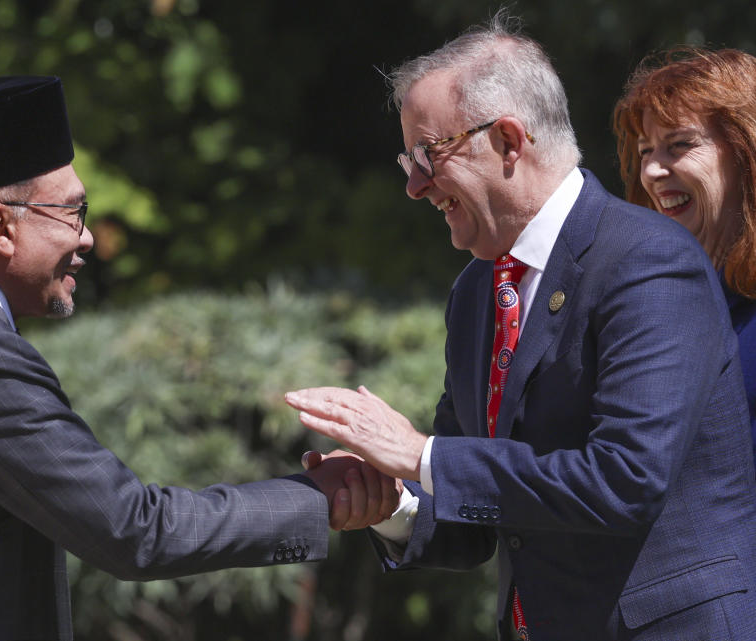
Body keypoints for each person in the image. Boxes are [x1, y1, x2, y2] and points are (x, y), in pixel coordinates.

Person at [0, 76, 399, 640]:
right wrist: (318, 497)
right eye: (72, 213)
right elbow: (135, 531)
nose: (86, 237)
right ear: (0, 226)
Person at [284, 15, 756, 641]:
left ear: (509, 140)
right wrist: (392, 500)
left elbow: (625, 481)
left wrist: (422, 456)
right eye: (408, 159)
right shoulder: (477, 291)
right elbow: (479, 517)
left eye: (430, 154)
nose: (414, 185)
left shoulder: (647, 259)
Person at [612, 47, 756, 466]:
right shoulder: (649, 305)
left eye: (679, 145)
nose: (653, 171)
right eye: (645, 151)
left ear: (745, 151)